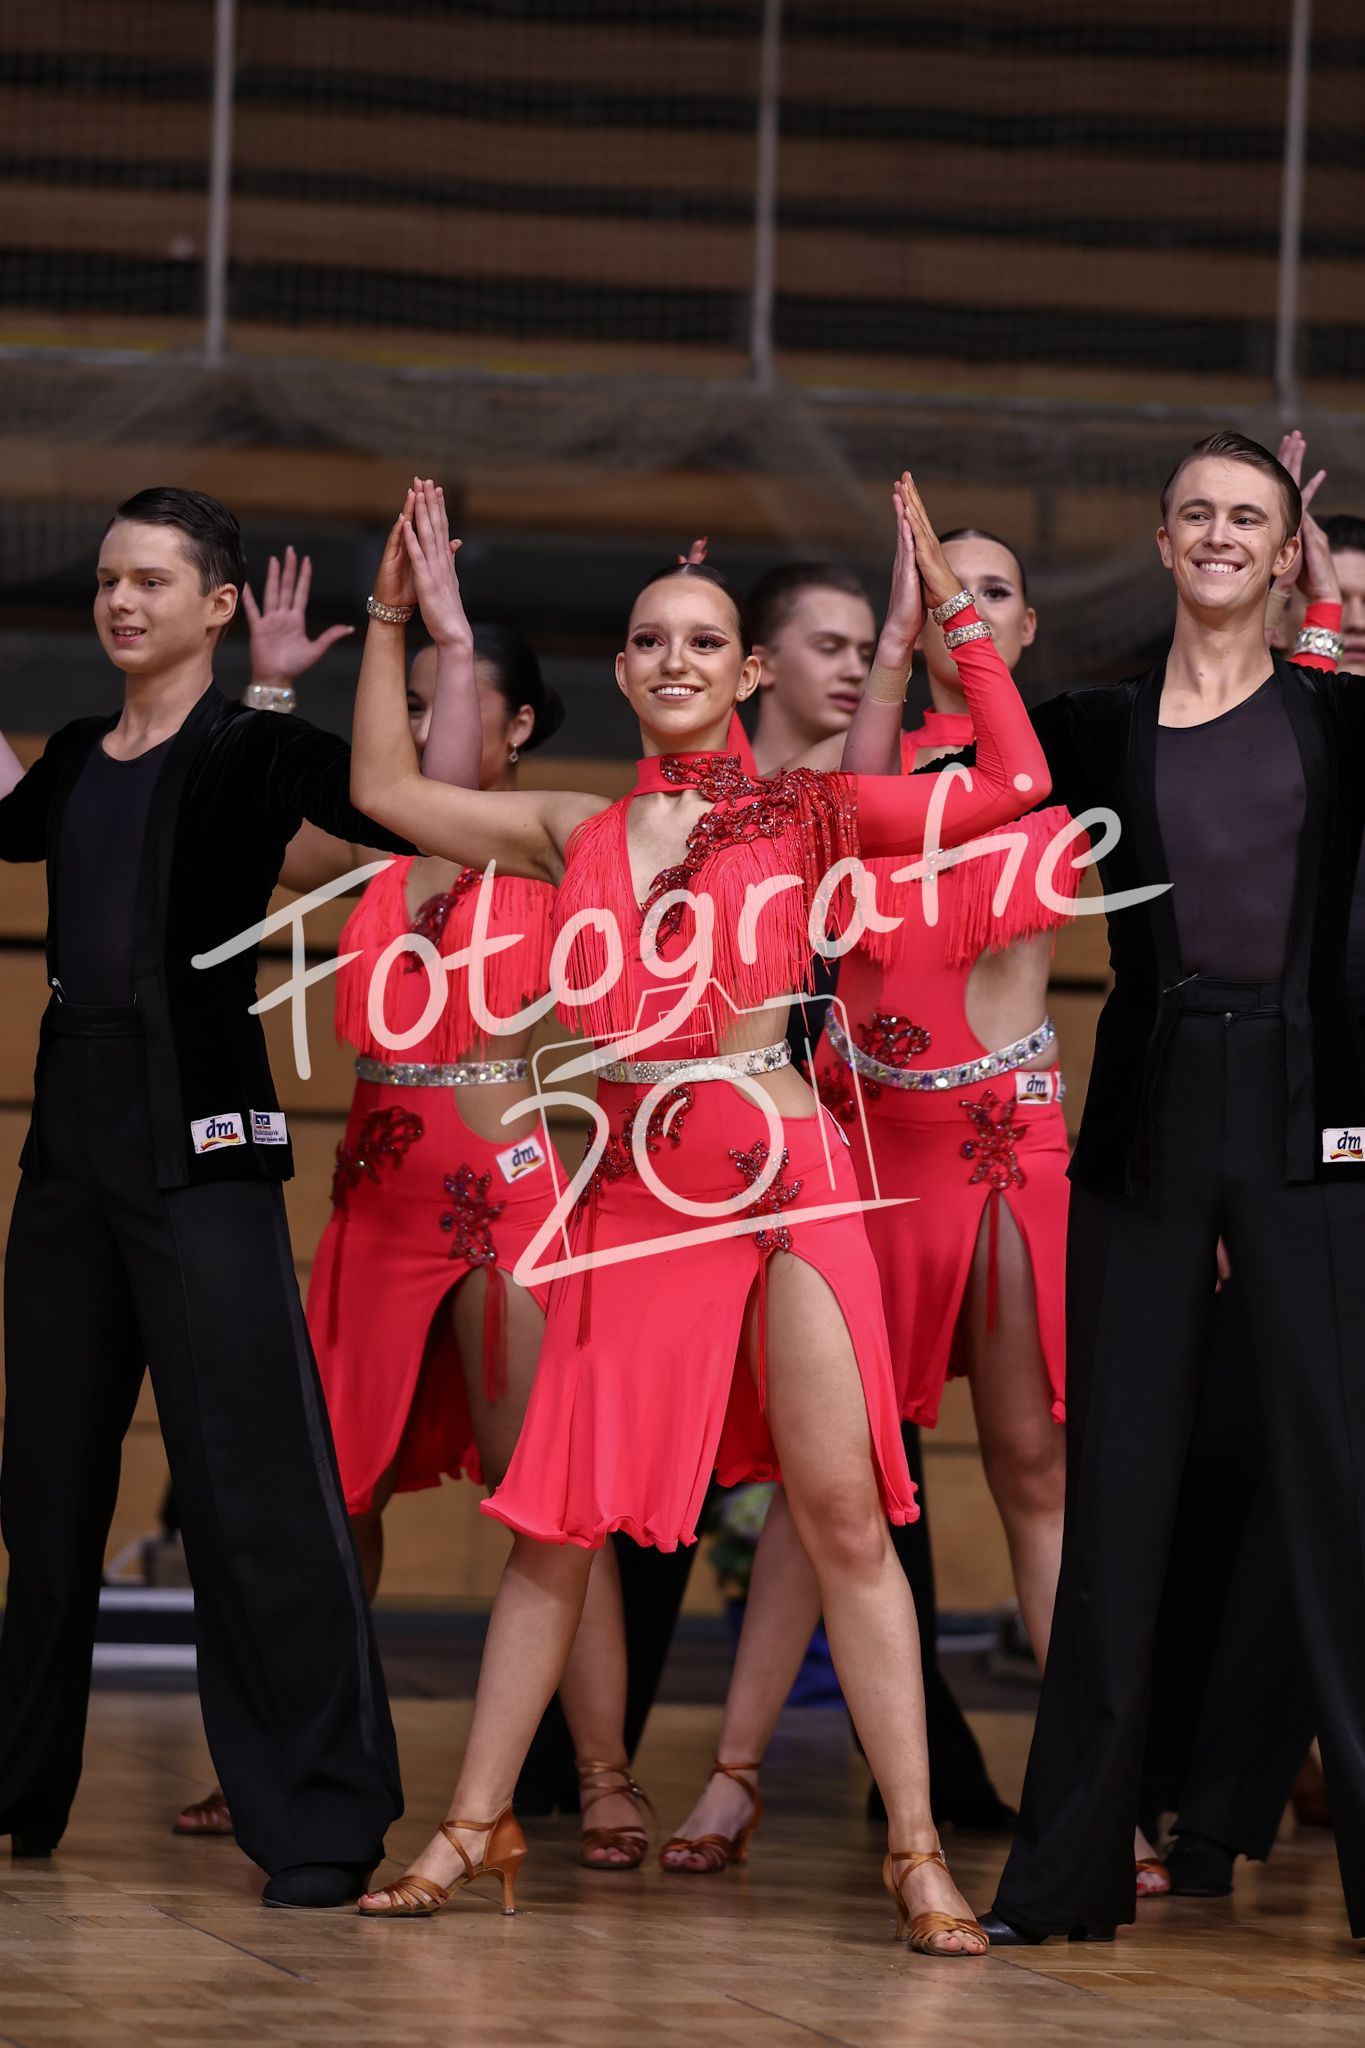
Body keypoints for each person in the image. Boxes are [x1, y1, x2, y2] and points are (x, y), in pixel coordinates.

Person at [344, 473, 1048, 1952]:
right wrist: (389, 622)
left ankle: (916, 1853)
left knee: (843, 1515)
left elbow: (1014, 782)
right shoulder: (572, 829)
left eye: (705, 640)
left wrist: (948, 623)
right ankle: (471, 1824)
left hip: (790, 1177)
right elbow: (388, 796)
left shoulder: (810, 810)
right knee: (555, 1524)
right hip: (634, 1199)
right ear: (623, 670)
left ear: (745, 675)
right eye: (652, 639)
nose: (676, 658)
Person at [930, 430, 1365, 1947]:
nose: (1220, 533)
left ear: (1285, 550)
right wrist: (942, 629)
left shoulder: (1340, 713)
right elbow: (950, 791)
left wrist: (1330, 610)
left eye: (1249, 515)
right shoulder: (1096, 726)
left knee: (1341, 1491)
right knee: (1113, 1494)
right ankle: (1066, 1875)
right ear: (1163, 542)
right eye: (1198, 513)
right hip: (1149, 1124)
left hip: (1315, 1124)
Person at [0, 487, 409, 1909]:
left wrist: (405, 629)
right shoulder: (73, 756)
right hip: (68, 1149)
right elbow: (12, 822)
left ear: (219, 606)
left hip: (203, 1145)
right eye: (108, 580)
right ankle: (19, 1779)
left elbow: (392, 812)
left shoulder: (253, 751)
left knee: (249, 1483)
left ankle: (321, 1815)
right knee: (47, 1483)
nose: (121, 602)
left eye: (153, 581)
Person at [661, 527, 1088, 1872]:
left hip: (1005, 1146)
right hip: (867, 1150)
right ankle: (732, 1777)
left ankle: (1094, 1798)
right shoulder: (860, 779)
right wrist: (902, 635)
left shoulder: (1048, 768)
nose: (966, 607)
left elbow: (1031, 768)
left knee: (1032, 1469)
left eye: (992, 592)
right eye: (943, 583)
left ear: (1025, 625)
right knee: (824, 1476)